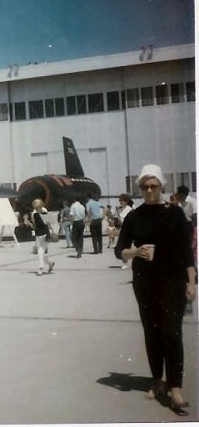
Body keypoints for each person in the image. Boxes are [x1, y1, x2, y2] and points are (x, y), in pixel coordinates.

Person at [114, 164, 196, 416]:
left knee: (172, 332)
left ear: (161, 186)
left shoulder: (175, 214)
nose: (149, 190)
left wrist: (191, 282)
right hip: (145, 281)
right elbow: (120, 250)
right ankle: (157, 381)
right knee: (152, 332)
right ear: (139, 189)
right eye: (145, 187)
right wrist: (136, 252)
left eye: (154, 186)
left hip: (173, 280)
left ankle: (175, 388)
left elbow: (187, 252)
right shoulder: (134, 216)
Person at [30, 199, 55, 276]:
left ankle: (40, 268)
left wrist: (51, 231)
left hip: (45, 234)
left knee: (40, 251)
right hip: (38, 235)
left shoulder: (44, 211)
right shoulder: (34, 213)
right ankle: (50, 263)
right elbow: (35, 226)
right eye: (36, 207)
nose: (37, 209)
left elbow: (49, 222)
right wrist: (28, 223)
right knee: (43, 254)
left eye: (38, 207)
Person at [117, 193, 134, 270]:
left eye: (122, 200)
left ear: (126, 201)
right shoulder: (119, 209)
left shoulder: (130, 209)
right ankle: (125, 262)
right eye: (120, 200)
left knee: (128, 247)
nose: (120, 202)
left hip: (129, 230)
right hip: (122, 229)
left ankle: (128, 262)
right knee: (123, 247)